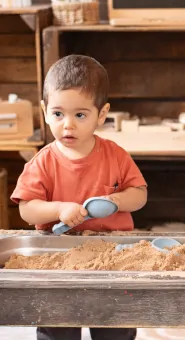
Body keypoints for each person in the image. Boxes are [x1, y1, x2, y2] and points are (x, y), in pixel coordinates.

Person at [11, 54, 147, 340]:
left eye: (80, 115)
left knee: (114, 328)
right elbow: (27, 210)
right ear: (45, 111)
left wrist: (116, 202)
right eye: (58, 114)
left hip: (113, 257)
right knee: (57, 328)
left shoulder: (116, 155)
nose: (68, 125)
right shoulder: (43, 161)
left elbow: (139, 195)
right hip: (57, 258)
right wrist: (58, 209)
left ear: (102, 114)